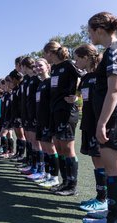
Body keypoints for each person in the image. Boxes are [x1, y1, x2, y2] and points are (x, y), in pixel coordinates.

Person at [83, 12, 117, 223]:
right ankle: (112, 214)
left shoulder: (114, 51)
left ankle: (112, 222)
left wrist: (101, 123)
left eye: (89, 30)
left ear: (99, 30)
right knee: (114, 169)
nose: (88, 35)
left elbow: (114, 90)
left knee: (115, 170)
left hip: (116, 114)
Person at [43, 41, 83, 196]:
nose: (44, 57)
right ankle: (65, 183)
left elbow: (83, 76)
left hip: (67, 111)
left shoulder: (69, 64)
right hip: (55, 111)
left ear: (50, 53)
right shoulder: (54, 68)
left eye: (45, 54)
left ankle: (72, 185)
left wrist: (77, 96)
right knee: (58, 146)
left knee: (67, 148)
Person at [73, 44, 107, 212]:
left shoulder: (102, 74)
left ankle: (104, 199)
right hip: (87, 122)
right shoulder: (85, 78)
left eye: (77, 58)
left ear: (86, 57)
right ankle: (101, 197)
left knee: (103, 160)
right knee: (95, 159)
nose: (75, 61)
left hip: (98, 123)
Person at [34, 58, 60, 188]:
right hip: (40, 120)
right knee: (44, 148)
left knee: (51, 148)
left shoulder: (51, 82)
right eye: (36, 66)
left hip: (49, 120)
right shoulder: (40, 84)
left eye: (40, 65)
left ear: (48, 67)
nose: (38, 68)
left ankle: (54, 177)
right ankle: (47, 175)